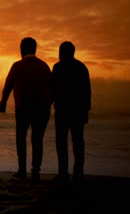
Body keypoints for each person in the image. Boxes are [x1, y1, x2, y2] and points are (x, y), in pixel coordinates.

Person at [0, 37, 52, 183]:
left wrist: (3, 103)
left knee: (21, 138)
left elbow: (8, 86)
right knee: (37, 139)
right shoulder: (44, 66)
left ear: (22, 49)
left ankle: (22, 170)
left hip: (23, 107)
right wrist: (48, 103)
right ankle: (35, 171)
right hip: (42, 108)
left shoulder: (17, 66)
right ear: (35, 49)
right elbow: (52, 87)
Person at [52, 41, 91, 183]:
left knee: (61, 143)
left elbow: (53, 90)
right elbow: (87, 92)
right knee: (78, 142)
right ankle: (78, 172)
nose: (59, 54)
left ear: (63, 52)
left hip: (62, 110)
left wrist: (48, 104)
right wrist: (86, 111)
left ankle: (63, 173)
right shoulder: (81, 67)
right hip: (77, 110)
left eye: (60, 51)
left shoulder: (58, 67)